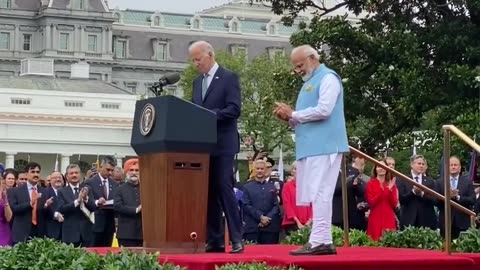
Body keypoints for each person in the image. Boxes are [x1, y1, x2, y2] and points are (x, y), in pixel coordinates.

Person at [274, 44, 349, 255]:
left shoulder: (328, 78)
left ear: (312, 58)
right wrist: (289, 118)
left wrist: (294, 114)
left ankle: (319, 241)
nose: (297, 70)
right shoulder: (310, 81)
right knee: (318, 193)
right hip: (312, 146)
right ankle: (322, 240)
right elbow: (306, 117)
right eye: (295, 67)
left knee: (321, 193)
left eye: (300, 65)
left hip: (324, 145)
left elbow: (324, 110)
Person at [189, 40, 244, 253]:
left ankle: (237, 238)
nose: (196, 63)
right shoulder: (196, 82)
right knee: (208, 192)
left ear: (209, 55)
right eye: (193, 60)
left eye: (198, 59)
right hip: (203, 146)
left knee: (223, 187)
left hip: (223, 143)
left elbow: (234, 109)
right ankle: (215, 239)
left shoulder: (228, 77)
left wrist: (209, 116)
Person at [365, 160, 398, 241]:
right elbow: (372, 202)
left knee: (388, 243)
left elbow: (394, 203)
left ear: (387, 169)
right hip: (375, 217)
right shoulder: (371, 184)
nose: (381, 168)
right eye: (379, 166)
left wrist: (390, 189)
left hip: (388, 217)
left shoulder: (391, 184)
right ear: (375, 169)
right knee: (374, 242)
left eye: (383, 166)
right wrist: (385, 190)